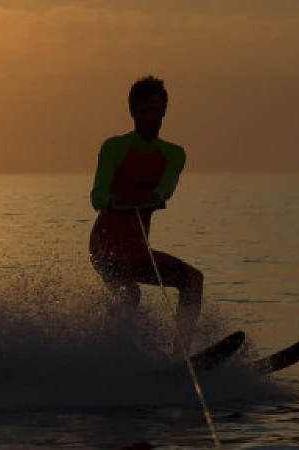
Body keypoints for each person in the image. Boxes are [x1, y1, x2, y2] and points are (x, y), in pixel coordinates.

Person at [89, 75, 203, 356]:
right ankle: (108, 355)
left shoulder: (174, 154)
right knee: (130, 296)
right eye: (143, 111)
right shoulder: (114, 146)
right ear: (132, 113)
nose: (150, 117)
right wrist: (115, 201)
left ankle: (181, 356)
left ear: (165, 110)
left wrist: (155, 197)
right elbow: (97, 194)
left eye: (155, 110)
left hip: (138, 252)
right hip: (105, 248)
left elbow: (167, 186)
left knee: (193, 280)